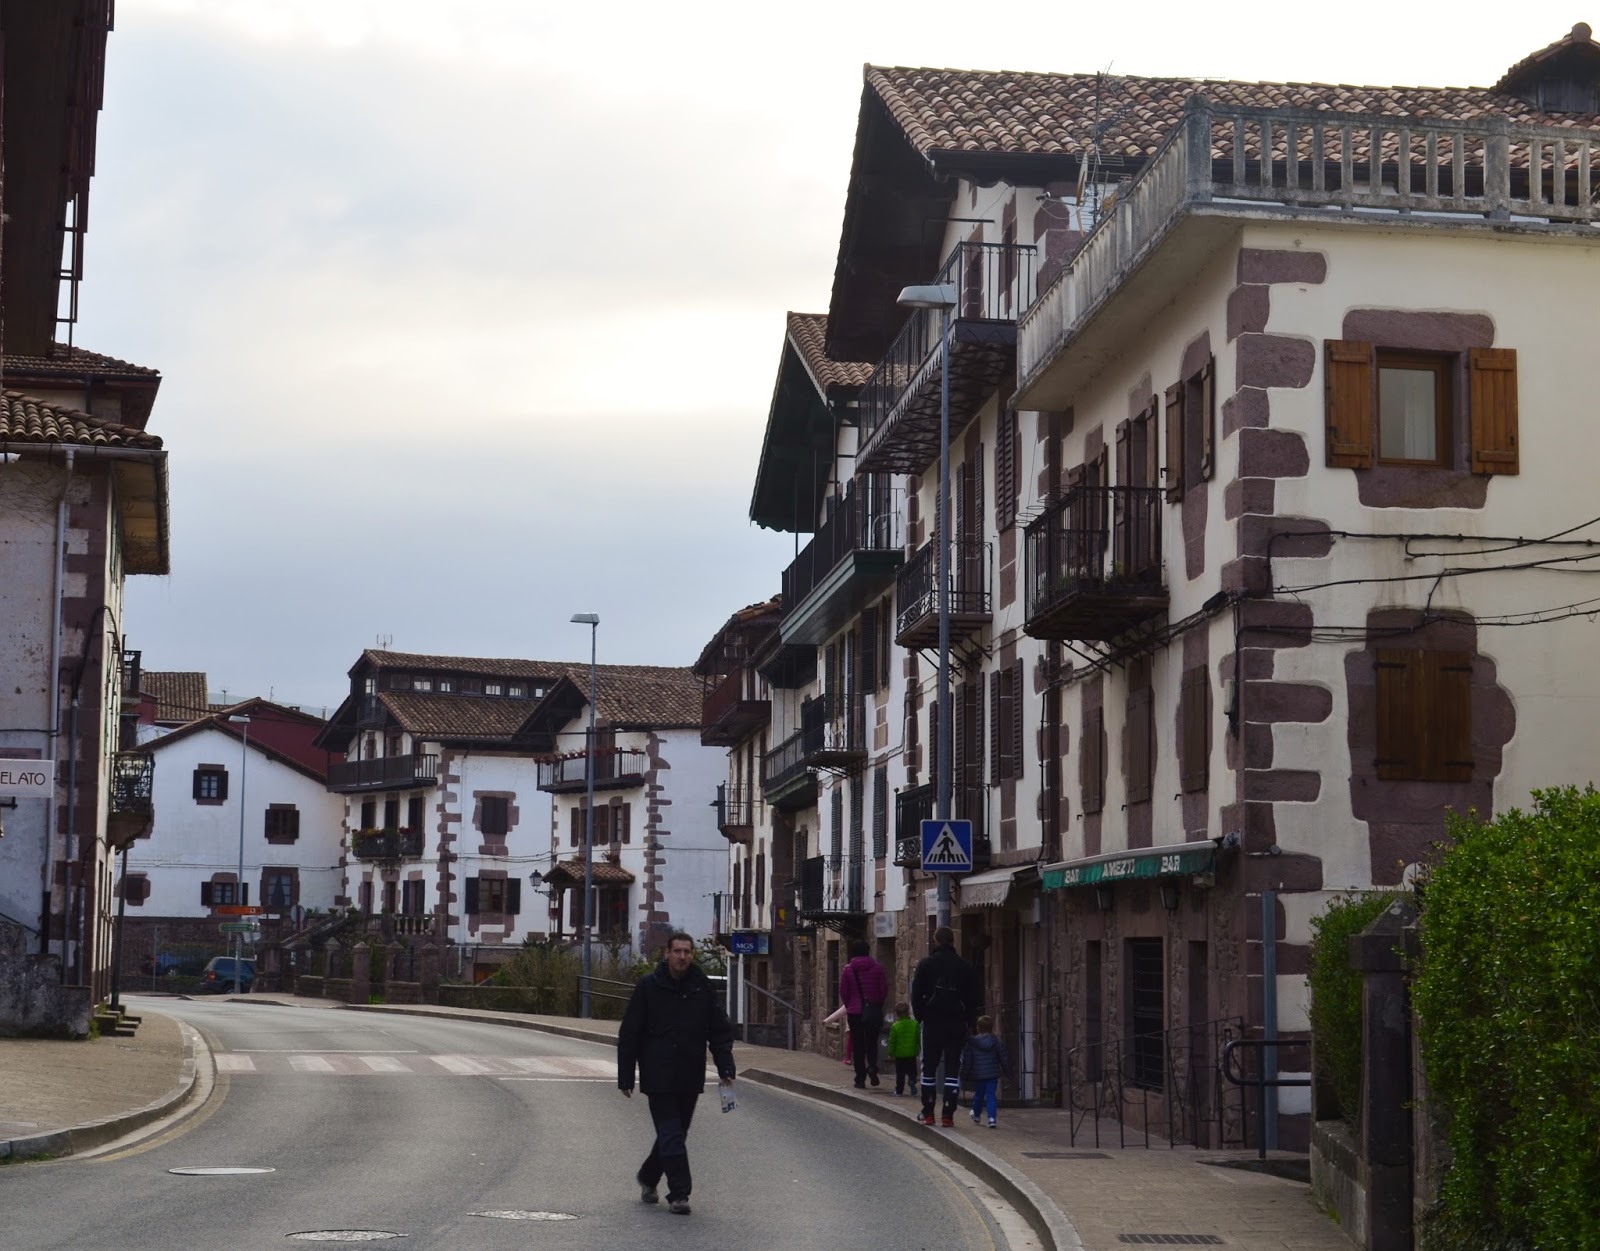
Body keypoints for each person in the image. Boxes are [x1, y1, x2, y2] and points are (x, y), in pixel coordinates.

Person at [617, 931, 735, 1216]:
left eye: (687, 951)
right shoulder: (649, 986)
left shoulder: (701, 987)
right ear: (667, 954)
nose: (682, 956)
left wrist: (725, 1067)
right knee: (670, 1132)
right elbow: (630, 1032)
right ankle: (679, 1193)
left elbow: (718, 1030)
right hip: (657, 1072)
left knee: (676, 1134)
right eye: (677, 951)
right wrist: (626, 1075)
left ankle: (648, 1176)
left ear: (692, 955)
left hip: (689, 1071)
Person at [910, 924, 980, 1127]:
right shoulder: (964, 966)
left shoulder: (926, 964)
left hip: (932, 1022)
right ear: (953, 941)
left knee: (928, 1067)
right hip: (956, 1023)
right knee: (952, 1068)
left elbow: (916, 994)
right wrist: (969, 1021)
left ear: (936, 941)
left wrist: (921, 1016)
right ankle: (948, 1114)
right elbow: (974, 997)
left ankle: (928, 1111)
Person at [838, 938, 888, 1088]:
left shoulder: (848, 969)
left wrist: (850, 1005)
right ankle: (872, 1066)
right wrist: (876, 1004)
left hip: (855, 1012)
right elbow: (883, 989)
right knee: (872, 1042)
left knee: (858, 1045)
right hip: (872, 1010)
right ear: (868, 951)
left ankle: (860, 1078)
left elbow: (844, 992)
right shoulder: (877, 968)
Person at [960, 1013, 1013, 1128]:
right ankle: (992, 1118)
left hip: (978, 1074)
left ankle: (977, 1115)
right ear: (992, 1027)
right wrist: (1008, 1073)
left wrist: (964, 1074)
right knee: (991, 1096)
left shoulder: (972, 1043)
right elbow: (1004, 1059)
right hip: (992, 1074)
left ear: (978, 1028)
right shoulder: (997, 1043)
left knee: (978, 1095)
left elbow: (967, 1060)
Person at [886, 1001, 920, 1096]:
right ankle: (912, 1080)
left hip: (899, 1054)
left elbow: (892, 1041)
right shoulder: (915, 1024)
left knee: (900, 1074)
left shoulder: (895, 1026)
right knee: (912, 1071)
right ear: (908, 1012)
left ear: (897, 1014)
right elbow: (918, 1038)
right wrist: (919, 1048)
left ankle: (899, 1090)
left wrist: (890, 1053)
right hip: (912, 1053)